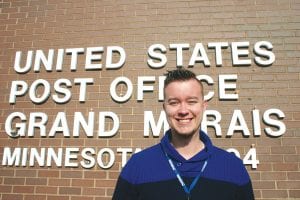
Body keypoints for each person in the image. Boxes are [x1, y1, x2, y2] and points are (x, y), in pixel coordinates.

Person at [112, 68, 254, 200]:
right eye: (174, 102)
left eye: (191, 101)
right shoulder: (137, 166)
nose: (183, 110)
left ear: (204, 106)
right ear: (164, 108)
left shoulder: (233, 167)